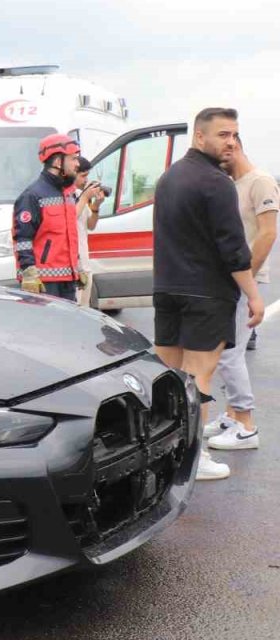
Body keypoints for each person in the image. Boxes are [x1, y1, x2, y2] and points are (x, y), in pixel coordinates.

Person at [152, 107, 263, 481]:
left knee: (169, 376)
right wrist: (253, 294)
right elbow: (233, 249)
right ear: (200, 137)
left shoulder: (168, 178)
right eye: (222, 135)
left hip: (167, 289)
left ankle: (162, 454)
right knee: (198, 378)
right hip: (206, 295)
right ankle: (193, 459)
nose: (230, 142)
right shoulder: (216, 183)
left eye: (234, 134)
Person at [205, 136, 278, 451]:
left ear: (234, 148)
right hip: (228, 279)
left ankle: (246, 426)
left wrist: (245, 279)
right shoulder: (232, 184)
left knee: (230, 354)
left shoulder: (260, 182)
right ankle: (232, 415)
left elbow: (268, 232)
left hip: (243, 278)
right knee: (226, 352)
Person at [12, 133, 85, 301]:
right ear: (58, 162)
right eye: (73, 159)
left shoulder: (68, 194)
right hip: (43, 282)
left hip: (67, 280)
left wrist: (77, 267)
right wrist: (29, 273)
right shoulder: (32, 196)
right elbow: (22, 238)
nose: (77, 164)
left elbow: (69, 237)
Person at [73, 156, 107, 308]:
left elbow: (90, 225)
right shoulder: (69, 196)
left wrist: (97, 205)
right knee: (76, 307)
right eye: (83, 176)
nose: (86, 181)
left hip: (85, 263)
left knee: (85, 308)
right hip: (75, 264)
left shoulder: (82, 197)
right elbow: (70, 219)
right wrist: (85, 196)